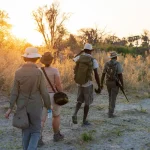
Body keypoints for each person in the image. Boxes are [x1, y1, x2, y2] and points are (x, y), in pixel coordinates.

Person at [5, 47, 51, 150]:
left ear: (25, 58)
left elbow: (14, 92)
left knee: (25, 130)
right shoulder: (39, 72)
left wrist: (10, 108)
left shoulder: (18, 72)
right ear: (36, 59)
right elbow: (44, 92)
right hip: (35, 105)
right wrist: (48, 106)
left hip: (22, 105)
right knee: (35, 131)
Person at [72, 43, 101, 126]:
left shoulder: (79, 57)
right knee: (87, 102)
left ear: (84, 50)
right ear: (91, 51)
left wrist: (81, 52)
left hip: (79, 82)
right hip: (87, 83)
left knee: (79, 100)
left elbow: (73, 59)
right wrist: (99, 85)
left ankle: (74, 114)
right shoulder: (93, 60)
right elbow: (96, 74)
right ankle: (84, 121)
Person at [39, 52, 64, 144]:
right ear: (51, 60)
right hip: (53, 96)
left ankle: (38, 138)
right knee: (56, 116)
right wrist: (61, 93)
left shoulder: (39, 70)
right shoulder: (55, 70)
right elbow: (58, 84)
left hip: (42, 96)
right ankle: (57, 135)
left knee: (42, 119)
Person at [101, 51, 124, 118]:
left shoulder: (106, 64)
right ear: (116, 57)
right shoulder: (118, 64)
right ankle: (110, 114)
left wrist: (101, 83)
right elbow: (120, 75)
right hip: (115, 83)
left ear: (111, 57)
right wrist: (122, 84)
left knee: (110, 97)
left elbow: (103, 74)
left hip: (108, 83)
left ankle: (109, 111)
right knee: (113, 98)